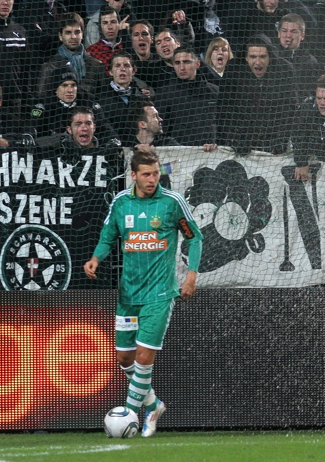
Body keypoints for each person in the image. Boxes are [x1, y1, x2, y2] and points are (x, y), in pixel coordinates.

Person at [84, 146, 203, 438]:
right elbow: (107, 236)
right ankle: (153, 404)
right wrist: (96, 258)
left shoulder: (172, 202)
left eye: (156, 173)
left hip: (160, 294)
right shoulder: (121, 202)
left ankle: (129, 415)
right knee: (125, 359)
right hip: (128, 295)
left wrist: (191, 276)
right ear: (134, 175)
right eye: (147, 174)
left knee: (143, 357)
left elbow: (195, 238)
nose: (153, 179)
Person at [217, 38, 293, 154]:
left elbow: (289, 110)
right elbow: (225, 110)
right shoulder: (234, 73)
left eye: (262, 57)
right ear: (246, 58)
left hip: (273, 144)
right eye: (253, 57)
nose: (258, 62)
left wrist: (281, 140)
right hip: (241, 143)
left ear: (269, 57)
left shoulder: (284, 72)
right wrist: (234, 139)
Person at [153, 48, 218, 149]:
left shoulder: (214, 91)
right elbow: (160, 131)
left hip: (212, 153)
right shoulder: (164, 94)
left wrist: (215, 142)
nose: (182, 67)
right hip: (179, 156)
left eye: (186, 62)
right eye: (177, 63)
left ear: (197, 64)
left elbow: (223, 124)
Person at [33, 65, 116, 140]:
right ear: (55, 89)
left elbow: (104, 125)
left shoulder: (88, 101)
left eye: (73, 85)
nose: (70, 90)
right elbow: (31, 125)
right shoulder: (44, 105)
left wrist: (113, 139)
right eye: (64, 85)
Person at [35, 13, 106, 97]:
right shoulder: (49, 68)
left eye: (77, 32)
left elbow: (104, 98)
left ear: (82, 34)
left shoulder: (96, 65)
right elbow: (41, 100)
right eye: (68, 32)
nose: (73, 36)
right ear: (60, 36)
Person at [95, 51, 153, 146]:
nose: (122, 69)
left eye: (126, 65)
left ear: (133, 71)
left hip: (139, 149)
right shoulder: (100, 98)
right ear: (110, 72)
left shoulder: (143, 99)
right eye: (117, 66)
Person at [276, 13, 321, 103]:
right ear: (278, 34)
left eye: (293, 31)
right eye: (284, 31)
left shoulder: (311, 62)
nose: (288, 35)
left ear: (302, 36)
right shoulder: (272, 58)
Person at [86, 5, 125, 74]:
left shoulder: (127, 47)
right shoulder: (91, 52)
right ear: (100, 26)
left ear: (119, 24)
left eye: (113, 22)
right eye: (105, 23)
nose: (109, 27)